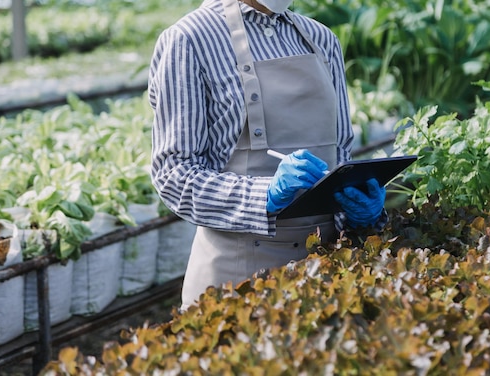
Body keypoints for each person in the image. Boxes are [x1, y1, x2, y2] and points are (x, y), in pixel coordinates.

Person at [148, 0, 386, 311]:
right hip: (238, 279)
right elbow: (174, 175)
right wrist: (264, 196)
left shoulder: (322, 38)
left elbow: (338, 150)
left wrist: (357, 208)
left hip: (327, 270)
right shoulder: (190, 39)